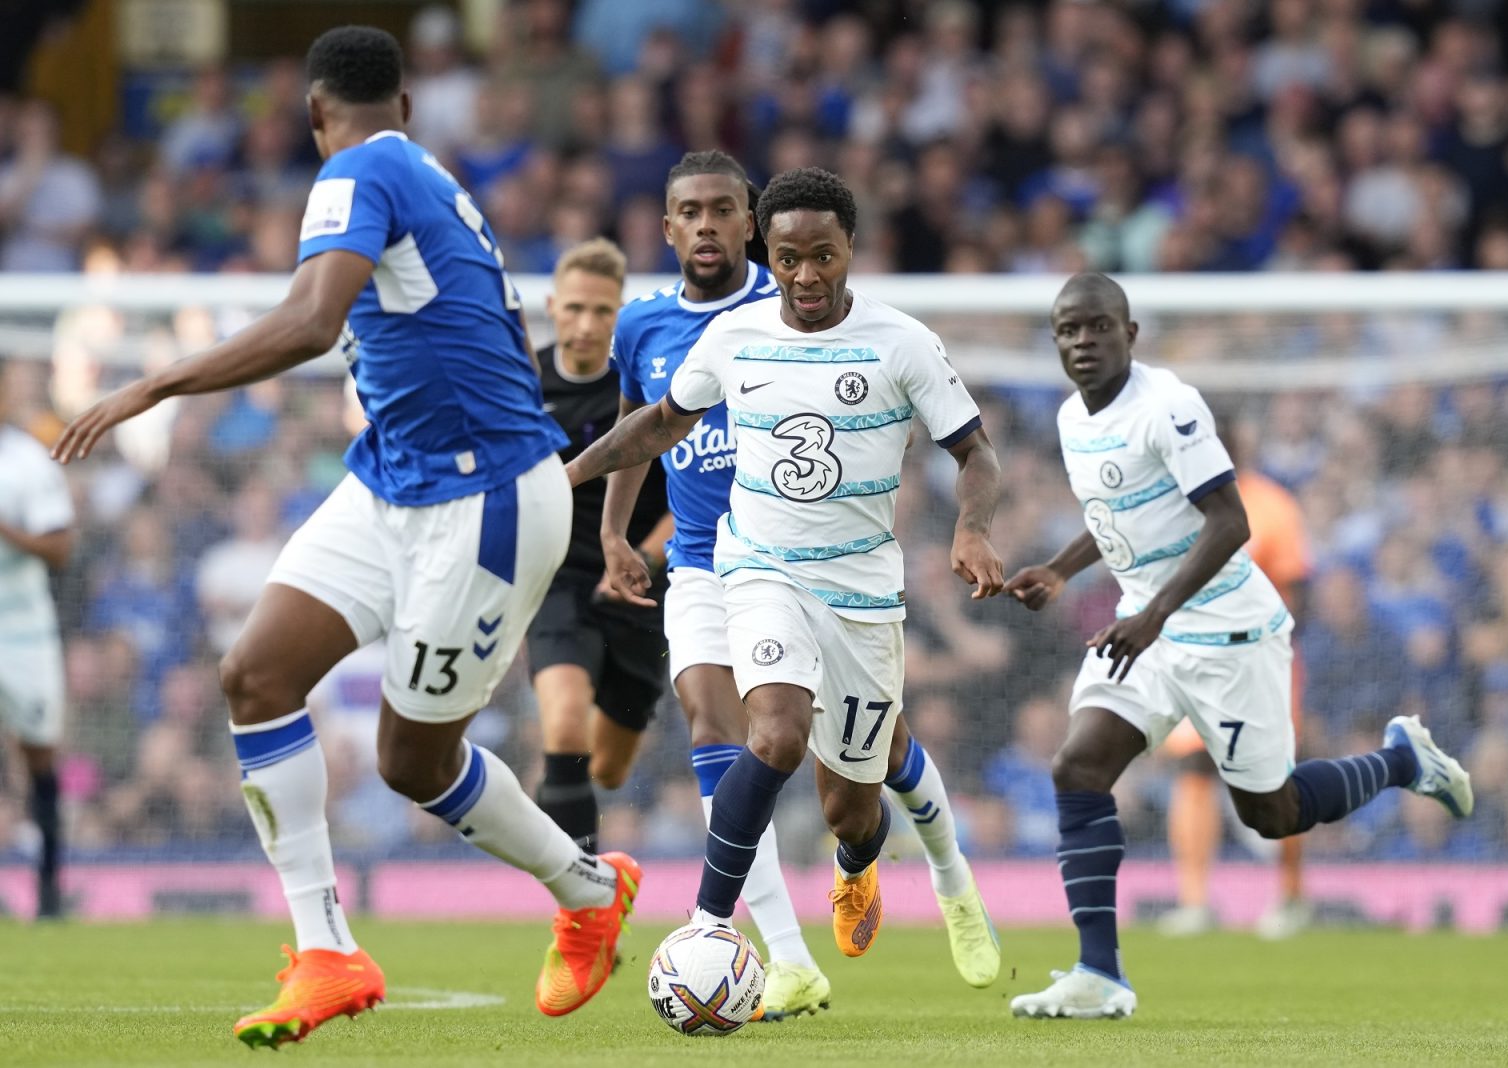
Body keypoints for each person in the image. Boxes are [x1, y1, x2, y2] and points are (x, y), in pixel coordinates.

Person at [51, 26, 639, 1047]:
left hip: (487, 501)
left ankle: (588, 891)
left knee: (413, 761)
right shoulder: (429, 176)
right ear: (403, 105)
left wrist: (154, 382)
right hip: (395, 478)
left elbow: (311, 322)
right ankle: (327, 951)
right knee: (256, 674)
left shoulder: (356, 171)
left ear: (317, 114)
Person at [570, 166, 1005, 987]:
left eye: (823, 257)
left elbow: (975, 453)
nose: (806, 275)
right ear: (767, 254)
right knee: (772, 734)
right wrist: (566, 477)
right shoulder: (732, 337)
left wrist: (972, 528)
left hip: (862, 591)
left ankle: (867, 865)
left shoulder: (902, 342)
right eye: (789, 258)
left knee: (851, 808)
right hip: (758, 568)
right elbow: (658, 424)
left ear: (851, 250)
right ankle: (708, 926)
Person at [1003, 273, 1474, 1020]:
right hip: (1146, 628)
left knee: (1272, 814)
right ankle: (1098, 973)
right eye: (1069, 330)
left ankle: (1402, 761)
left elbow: (1230, 522)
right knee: (1077, 765)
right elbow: (1120, 513)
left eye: (1099, 327)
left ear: (1130, 334)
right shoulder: (1070, 418)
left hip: (1227, 633)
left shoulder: (1169, 406)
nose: (1083, 341)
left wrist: (1155, 614)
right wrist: (1062, 569)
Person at [527, 237, 672, 852]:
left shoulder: (647, 387)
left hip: (641, 580)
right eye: (575, 308)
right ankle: (582, 895)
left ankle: (560, 802)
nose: (586, 325)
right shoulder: (520, 384)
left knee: (608, 769)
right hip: (556, 580)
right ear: (552, 307)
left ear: (621, 314)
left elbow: (692, 495)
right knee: (564, 727)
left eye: (602, 311)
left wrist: (646, 558)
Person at [1157, 412, 1314, 940]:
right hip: (1195, 662)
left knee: (1270, 777)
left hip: (1259, 662)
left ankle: (1290, 895)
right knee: (1194, 770)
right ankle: (1194, 901)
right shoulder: (1175, 506)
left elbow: (1298, 593)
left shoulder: (1271, 506)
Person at [0, 361, 76, 920]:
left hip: (23, 631)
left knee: (39, 754)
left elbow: (60, 548)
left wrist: (5, 529)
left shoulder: (26, 459)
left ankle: (49, 891)